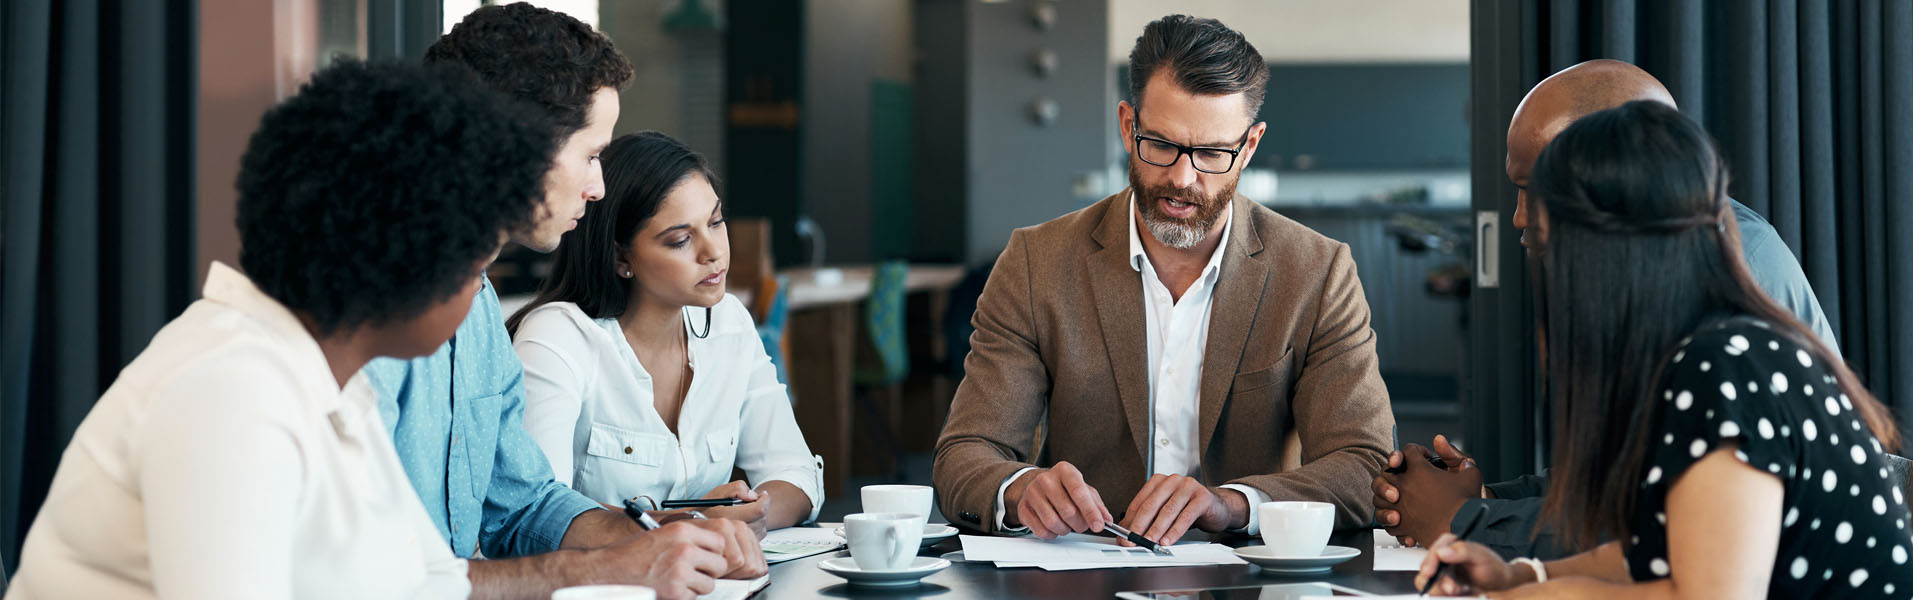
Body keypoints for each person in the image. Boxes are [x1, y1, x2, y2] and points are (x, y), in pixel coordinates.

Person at [6, 59, 630, 599]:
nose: (481, 285)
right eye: (477, 256)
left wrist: (611, 566)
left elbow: (425, 582)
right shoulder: (232, 391)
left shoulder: (327, 379)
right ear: (415, 262)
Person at [1412, 100, 1913, 598]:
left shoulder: (1726, 367)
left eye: (1555, 246)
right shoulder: (1711, 352)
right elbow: (1653, 553)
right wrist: (1522, 577)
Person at [931, 14, 1395, 546]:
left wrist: (1233, 503)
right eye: (1162, 145)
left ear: (1248, 147)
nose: (1182, 177)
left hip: (1247, 576)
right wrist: (1019, 488)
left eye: (1212, 154)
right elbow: (964, 456)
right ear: (1128, 126)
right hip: (1083, 572)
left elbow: (1367, 466)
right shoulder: (1037, 263)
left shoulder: (1316, 272)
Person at [360, 5, 763, 598]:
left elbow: (523, 509)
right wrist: (610, 566)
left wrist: (664, 533)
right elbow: (366, 574)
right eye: (592, 154)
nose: (598, 187)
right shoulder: (365, 316)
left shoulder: (477, 314)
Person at [1374, 59, 1844, 560]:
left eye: (1535, 189)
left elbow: (1657, 529)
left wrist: (1466, 521)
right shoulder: (1669, 272)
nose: (1517, 217)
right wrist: (1485, 501)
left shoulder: (1723, 305)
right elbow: (1631, 482)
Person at [508, 131, 822, 537]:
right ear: (622, 257)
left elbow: (797, 474)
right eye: (680, 239)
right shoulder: (557, 337)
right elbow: (537, 513)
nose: (713, 252)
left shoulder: (728, 322)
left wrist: (753, 511)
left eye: (716, 221)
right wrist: (694, 522)